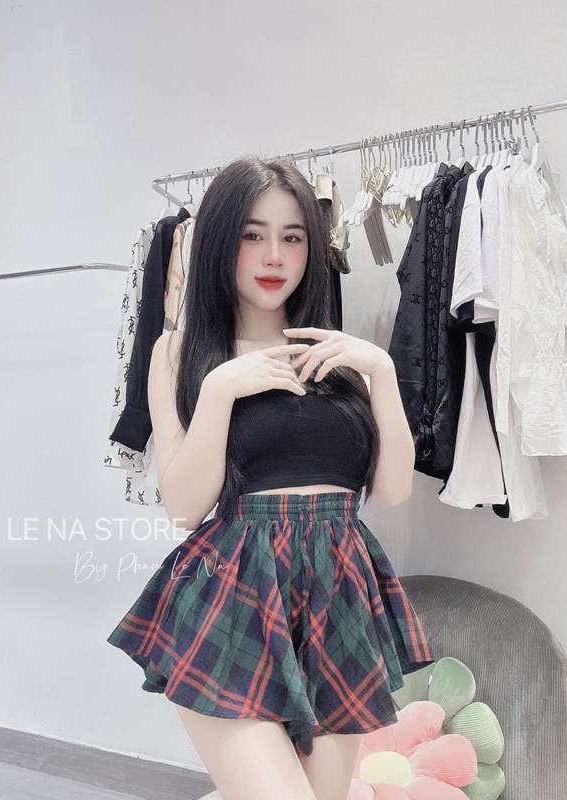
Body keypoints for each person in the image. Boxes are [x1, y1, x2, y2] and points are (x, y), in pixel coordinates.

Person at [107, 157, 434, 800]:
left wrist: (382, 373)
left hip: (338, 593)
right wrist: (220, 390)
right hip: (235, 593)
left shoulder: (338, 358)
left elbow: (393, 490)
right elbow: (184, 507)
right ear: (218, 243)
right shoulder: (179, 352)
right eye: (253, 235)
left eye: (293, 236)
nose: (274, 256)